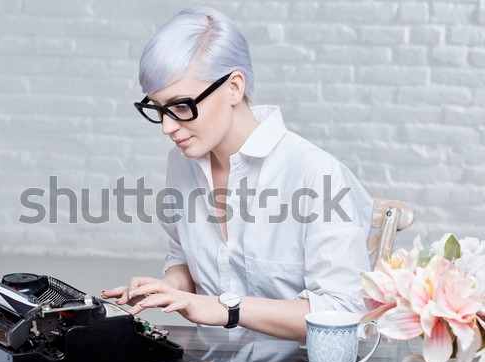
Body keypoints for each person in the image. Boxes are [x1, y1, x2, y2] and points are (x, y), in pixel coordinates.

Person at [101, 6, 373, 342]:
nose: (167, 127)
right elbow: (184, 258)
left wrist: (228, 309)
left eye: (182, 106)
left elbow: (344, 311)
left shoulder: (316, 174)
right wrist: (170, 288)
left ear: (234, 88)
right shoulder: (181, 163)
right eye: (158, 109)